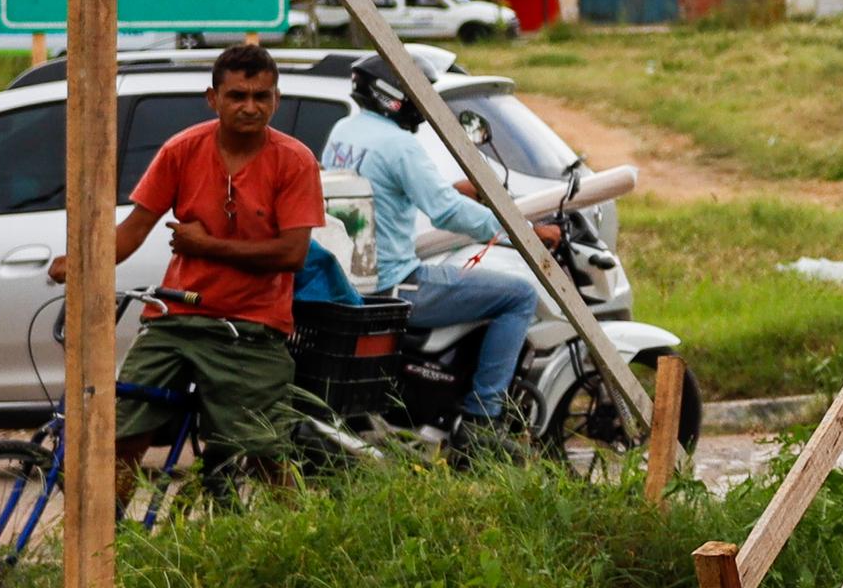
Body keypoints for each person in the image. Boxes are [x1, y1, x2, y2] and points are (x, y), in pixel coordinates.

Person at [48, 40, 323, 477]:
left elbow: (292, 253)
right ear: (213, 99)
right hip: (175, 317)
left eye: (261, 97)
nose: (250, 107)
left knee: (264, 453)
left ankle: (292, 541)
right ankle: (111, 539)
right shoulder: (182, 149)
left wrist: (207, 246)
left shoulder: (294, 160)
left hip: (251, 326)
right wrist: (82, 265)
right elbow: (132, 231)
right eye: (237, 96)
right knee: (123, 433)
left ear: (276, 99)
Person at [329, 57, 553, 449]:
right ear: (395, 96)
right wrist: (523, 232)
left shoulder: (344, 130)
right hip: (398, 284)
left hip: (352, 279)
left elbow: (384, 192)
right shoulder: (400, 144)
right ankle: (483, 419)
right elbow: (446, 212)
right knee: (519, 295)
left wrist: (452, 189)